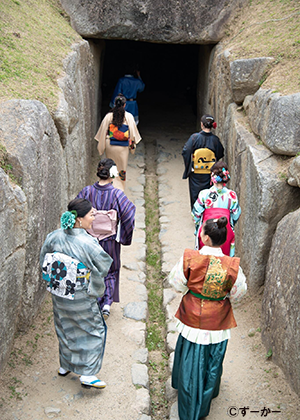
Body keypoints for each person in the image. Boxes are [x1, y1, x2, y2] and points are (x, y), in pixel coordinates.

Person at [168, 216, 247, 420]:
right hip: (218, 319)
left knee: (189, 358)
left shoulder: (190, 258)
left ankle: (188, 402)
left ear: (203, 236)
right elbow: (239, 291)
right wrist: (223, 295)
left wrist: (193, 289)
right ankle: (206, 395)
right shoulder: (231, 265)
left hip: (192, 317)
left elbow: (176, 282)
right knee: (212, 359)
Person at [40, 198, 113, 389]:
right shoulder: (87, 242)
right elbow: (104, 265)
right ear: (79, 219)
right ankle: (88, 373)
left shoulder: (54, 236)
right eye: (91, 214)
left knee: (65, 325)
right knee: (93, 330)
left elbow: (44, 258)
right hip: (80, 294)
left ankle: (66, 365)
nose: (94, 216)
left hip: (59, 291)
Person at [76, 158, 136, 319]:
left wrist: (80, 232)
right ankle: (107, 303)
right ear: (113, 174)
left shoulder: (87, 191)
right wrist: (124, 236)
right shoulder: (117, 194)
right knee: (111, 269)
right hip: (109, 239)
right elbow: (129, 215)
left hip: (89, 239)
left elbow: (76, 209)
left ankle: (90, 300)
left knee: (89, 267)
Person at [192, 161, 241, 256]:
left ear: (212, 177)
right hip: (224, 230)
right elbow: (236, 215)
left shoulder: (204, 194)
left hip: (207, 228)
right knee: (225, 260)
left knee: (203, 259)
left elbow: (196, 214)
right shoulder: (232, 195)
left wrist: (198, 225)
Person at [95, 94, 142, 191]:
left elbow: (102, 131)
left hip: (110, 145)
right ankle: (120, 189)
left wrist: (101, 147)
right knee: (121, 169)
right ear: (125, 105)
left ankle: (111, 186)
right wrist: (132, 146)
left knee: (110, 166)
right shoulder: (128, 116)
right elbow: (133, 134)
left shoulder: (108, 116)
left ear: (114, 104)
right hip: (122, 147)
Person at [182, 114, 224, 210]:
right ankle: (207, 213)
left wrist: (189, 167)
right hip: (210, 173)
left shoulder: (194, 138)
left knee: (195, 194)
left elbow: (185, 151)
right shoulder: (215, 140)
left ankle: (196, 214)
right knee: (209, 193)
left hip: (196, 172)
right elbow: (220, 153)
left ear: (202, 125)